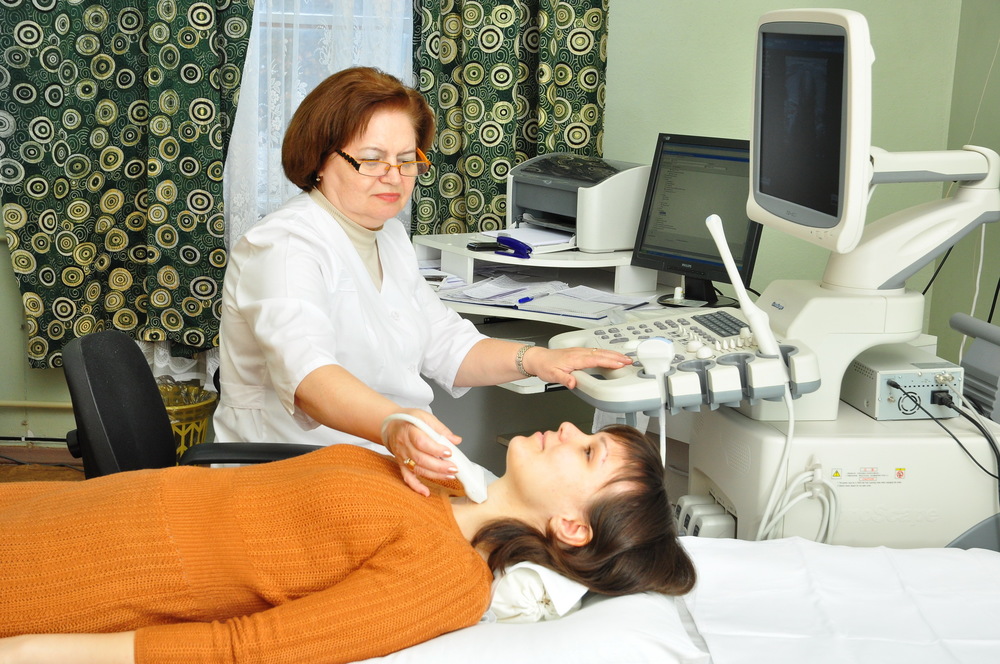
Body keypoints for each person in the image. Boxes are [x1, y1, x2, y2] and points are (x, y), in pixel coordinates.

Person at [213, 67, 632, 495]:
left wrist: (538, 359)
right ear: (319, 160)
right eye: (371, 159)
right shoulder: (284, 246)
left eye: (406, 160)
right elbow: (310, 379)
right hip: (301, 473)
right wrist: (395, 423)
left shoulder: (390, 237)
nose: (394, 176)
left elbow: (448, 345)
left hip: (391, 460)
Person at [0, 422, 695, 664]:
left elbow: (245, 649)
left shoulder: (450, 581)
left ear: (572, 528)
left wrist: (32, 652)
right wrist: (392, 428)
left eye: (588, 453)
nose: (568, 430)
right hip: (85, 510)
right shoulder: (442, 480)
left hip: (98, 577)